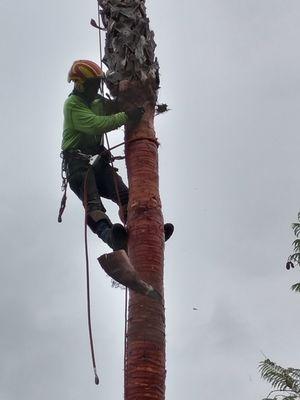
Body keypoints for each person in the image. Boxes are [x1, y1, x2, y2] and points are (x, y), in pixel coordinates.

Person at [61, 59, 173, 251]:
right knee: (94, 206)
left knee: (127, 196)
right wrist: (126, 116)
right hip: (78, 165)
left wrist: (133, 98)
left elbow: (116, 106)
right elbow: (97, 124)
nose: (96, 87)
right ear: (80, 85)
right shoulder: (72, 105)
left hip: (97, 163)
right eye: (93, 84)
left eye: (98, 83)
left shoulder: (97, 101)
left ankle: (147, 230)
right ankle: (113, 239)